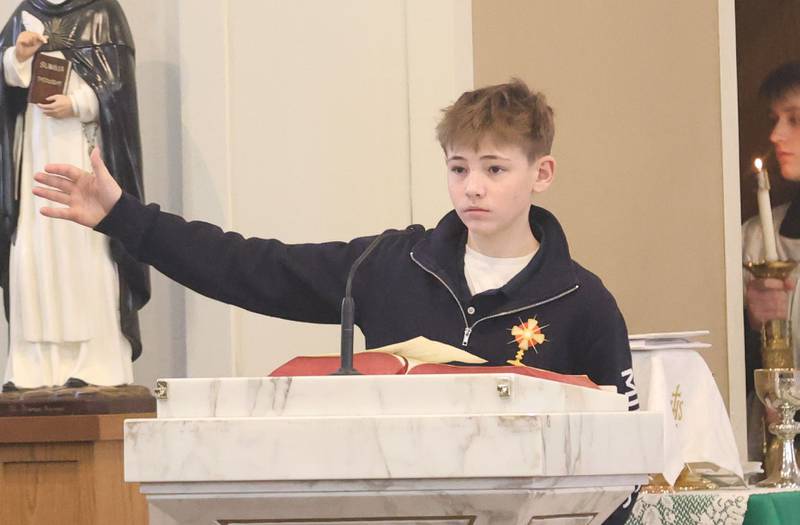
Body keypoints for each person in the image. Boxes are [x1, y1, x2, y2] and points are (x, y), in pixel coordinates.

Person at [32, 79, 638, 523]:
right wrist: (123, 217)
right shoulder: (388, 266)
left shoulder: (582, 300)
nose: (472, 186)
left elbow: (623, 460)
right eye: (458, 168)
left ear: (543, 173)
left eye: (495, 169)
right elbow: (250, 268)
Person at [0, 0, 149, 390]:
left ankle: (94, 362)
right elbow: (7, 85)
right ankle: (33, 365)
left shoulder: (102, 14)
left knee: (83, 252)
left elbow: (118, 89)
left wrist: (80, 103)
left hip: (82, 154)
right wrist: (19, 56)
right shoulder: (25, 14)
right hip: (34, 155)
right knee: (35, 255)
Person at [742, 61, 800, 460]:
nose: (776, 135)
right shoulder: (756, 237)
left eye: (795, 120)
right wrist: (754, 327)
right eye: (775, 119)